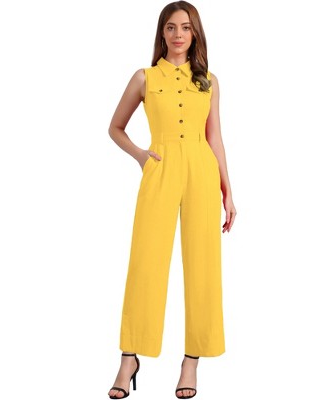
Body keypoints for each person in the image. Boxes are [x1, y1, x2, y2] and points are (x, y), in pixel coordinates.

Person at [107, 1, 236, 398]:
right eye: (171, 27)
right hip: (160, 168)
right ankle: (129, 358)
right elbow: (115, 127)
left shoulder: (208, 81)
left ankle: (191, 361)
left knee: (203, 264)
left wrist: (228, 190)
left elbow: (214, 137)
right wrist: (141, 156)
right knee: (146, 262)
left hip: (201, 170)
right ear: (162, 33)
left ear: (195, 34)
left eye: (186, 27)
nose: (178, 34)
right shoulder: (144, 77)